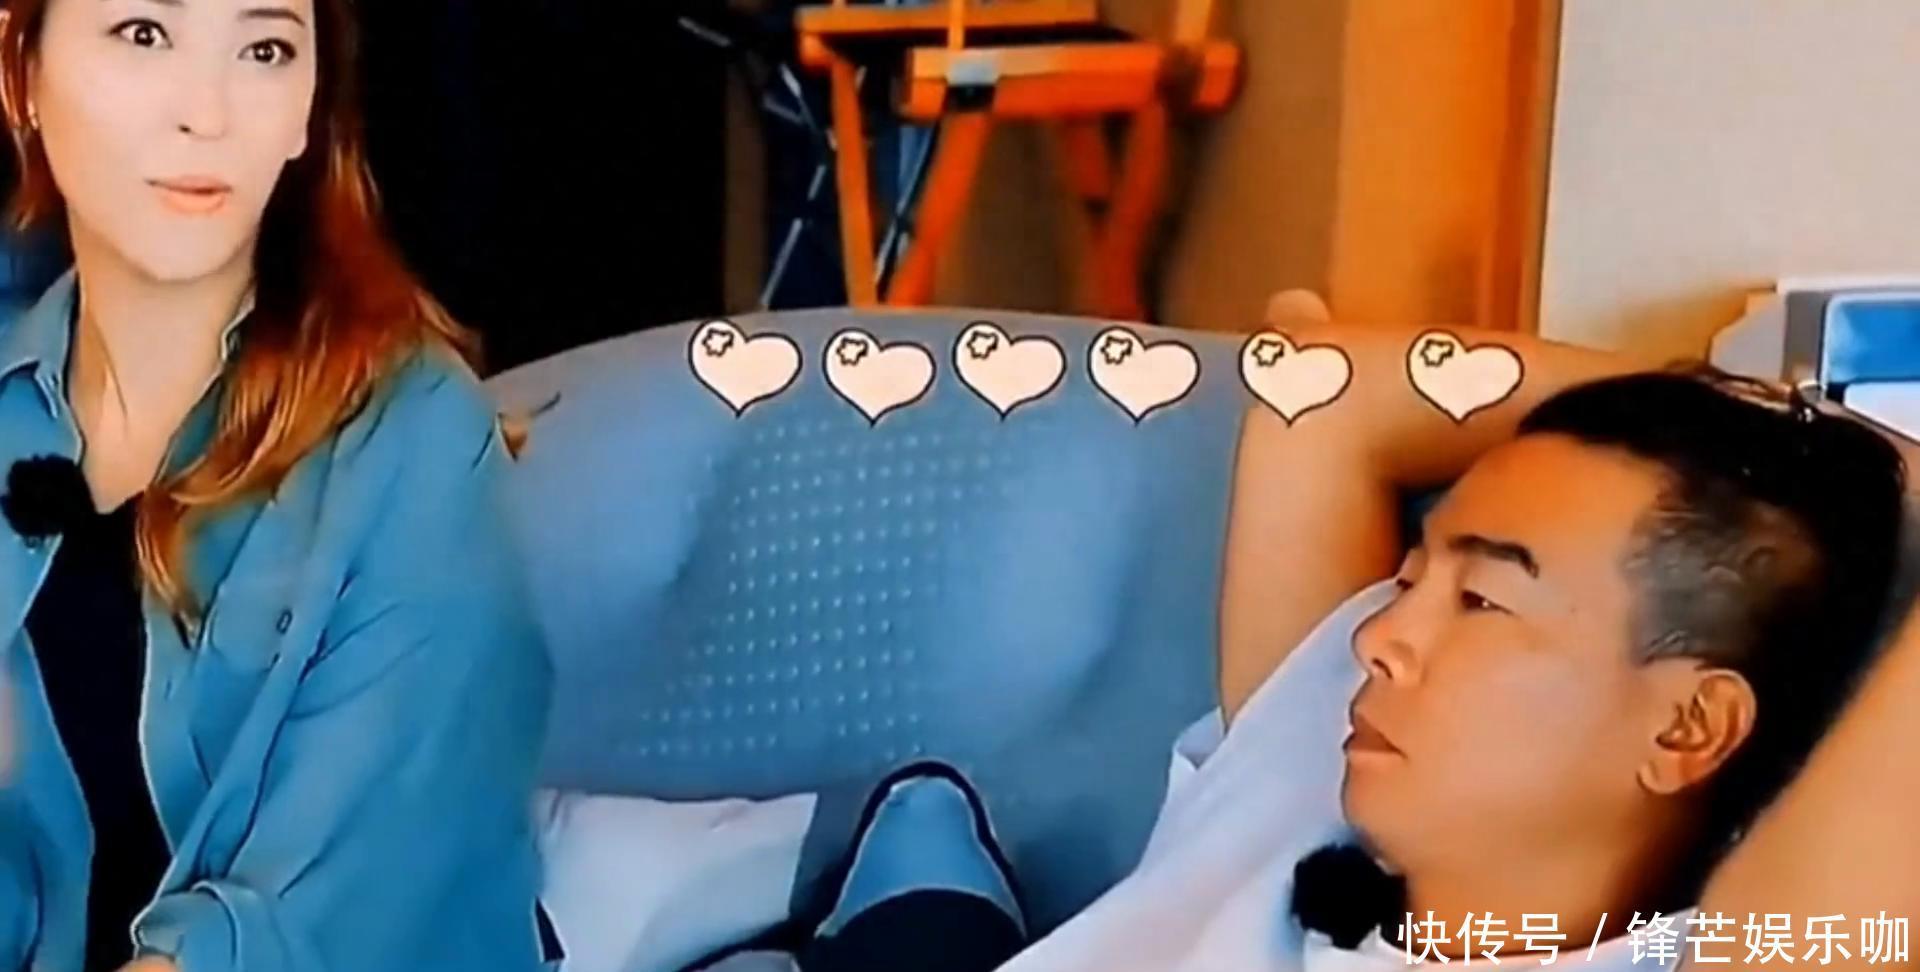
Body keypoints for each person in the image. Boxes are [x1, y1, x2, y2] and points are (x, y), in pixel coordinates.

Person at [665, 303, 1907, 972]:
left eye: (1482, 600)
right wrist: (1748, 432)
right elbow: (1321, 394)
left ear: (1687, 725)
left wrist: (1861, 487)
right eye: (1410, 578)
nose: (1382, 638)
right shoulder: (1322, 768)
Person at [0, 0, 553, 970]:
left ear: (307, 110)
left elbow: (340, 908)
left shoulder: (417, 437)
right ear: (22, 75)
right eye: (144, 34)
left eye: (264, 49)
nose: (207, 113)